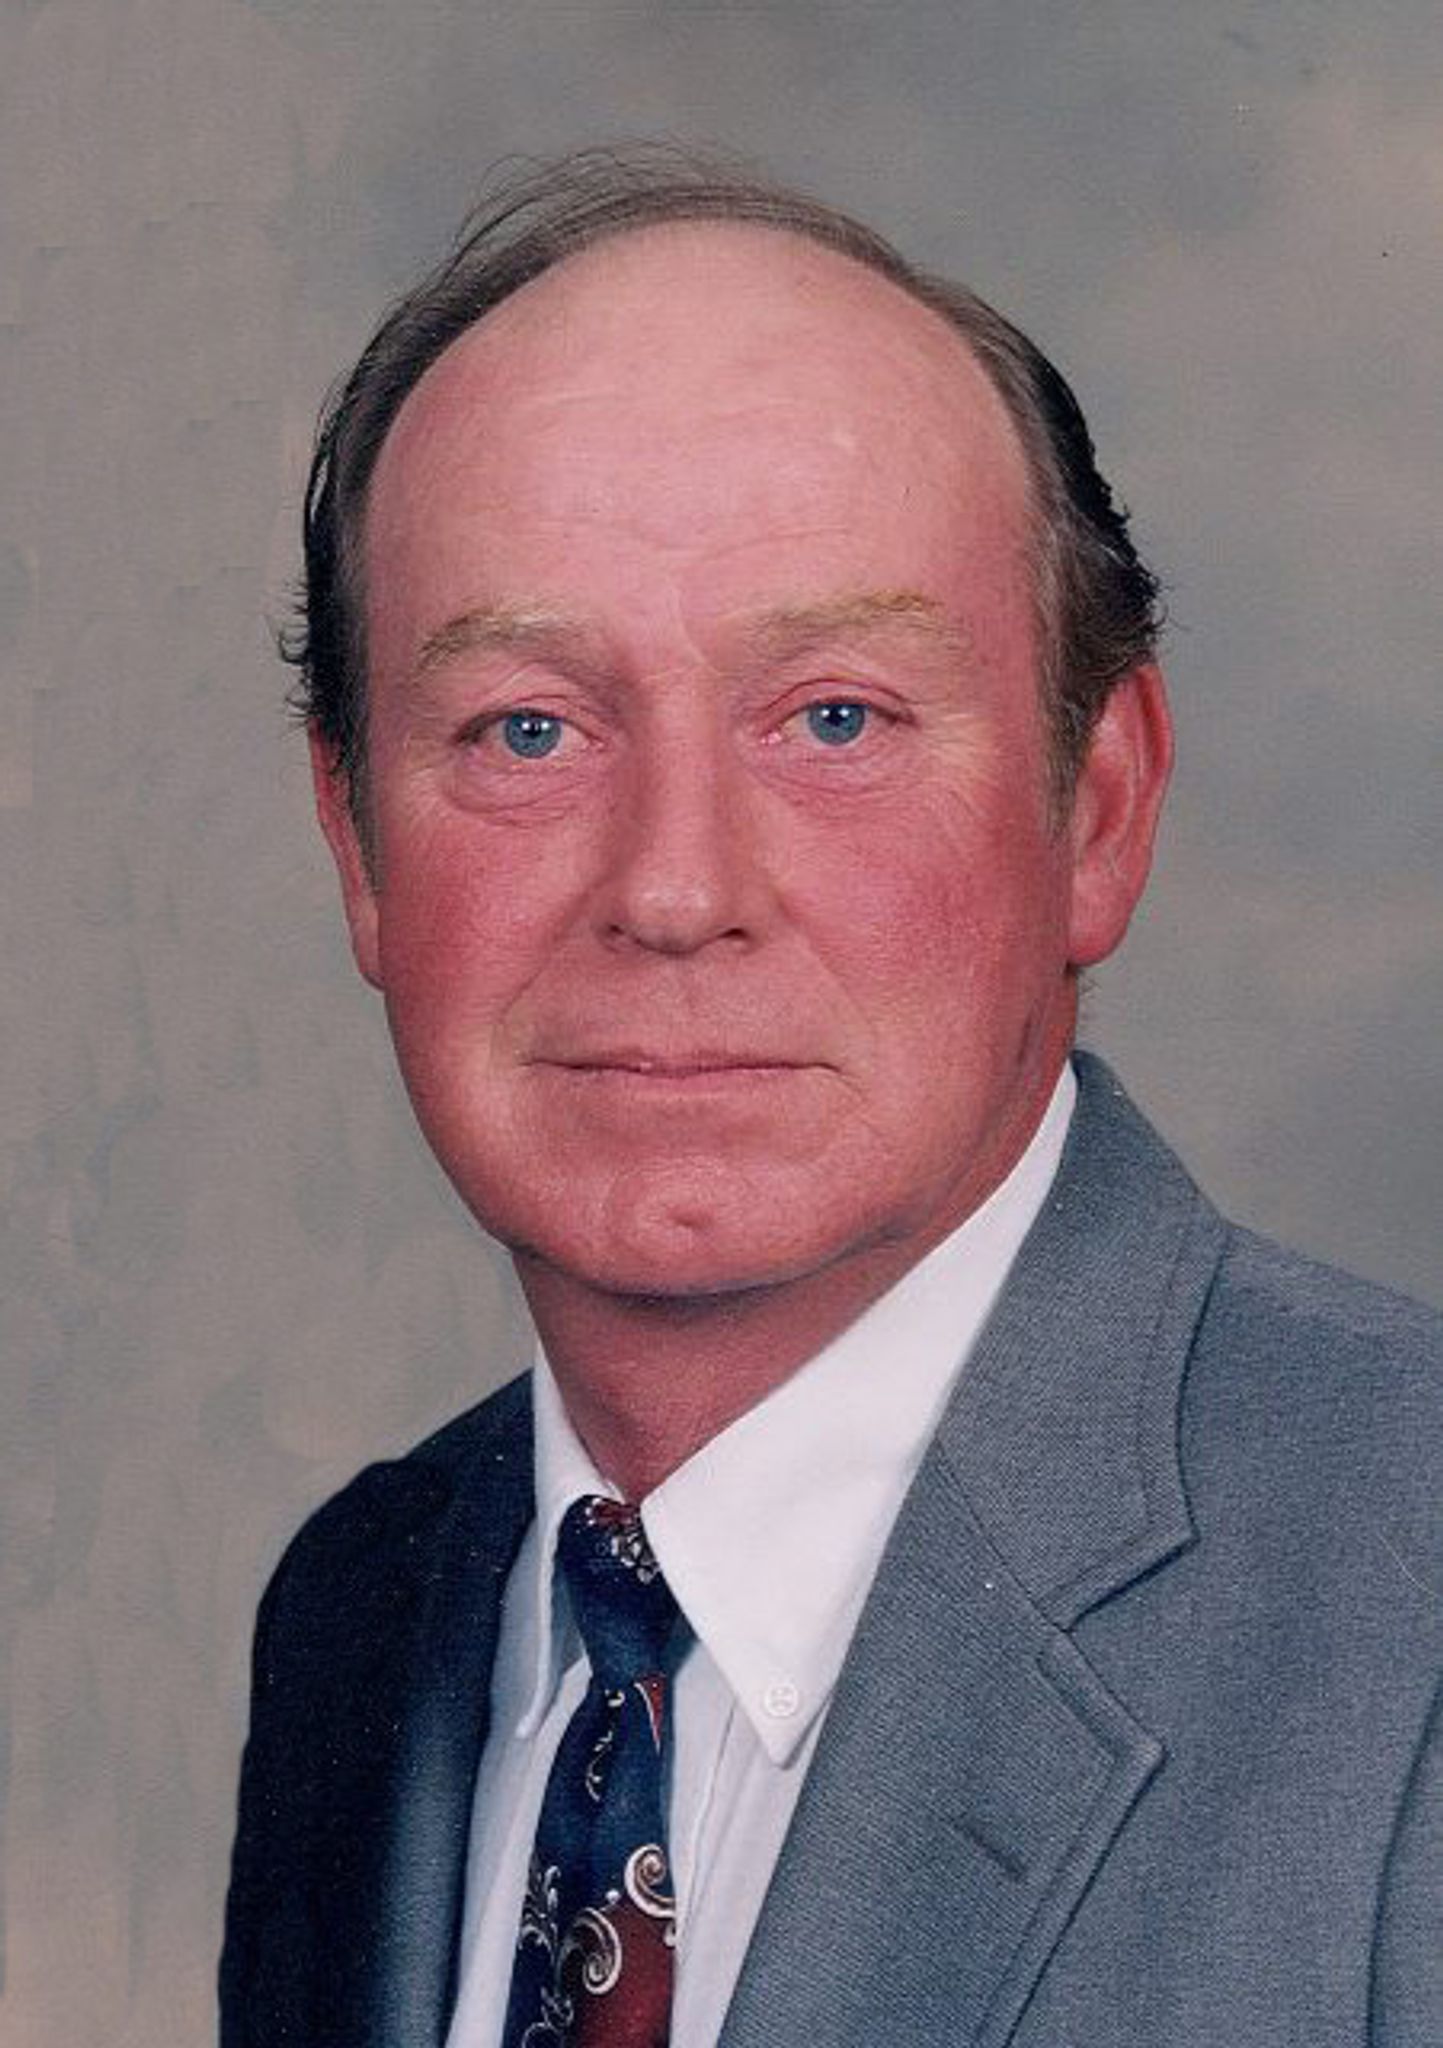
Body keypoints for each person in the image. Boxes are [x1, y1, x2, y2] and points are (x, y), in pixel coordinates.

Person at [220, 149, 1441, 2048]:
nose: (672, 888)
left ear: (1098, 810)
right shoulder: (362, 1618)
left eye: (836, 719)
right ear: (355, 842)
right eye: (528, 728)